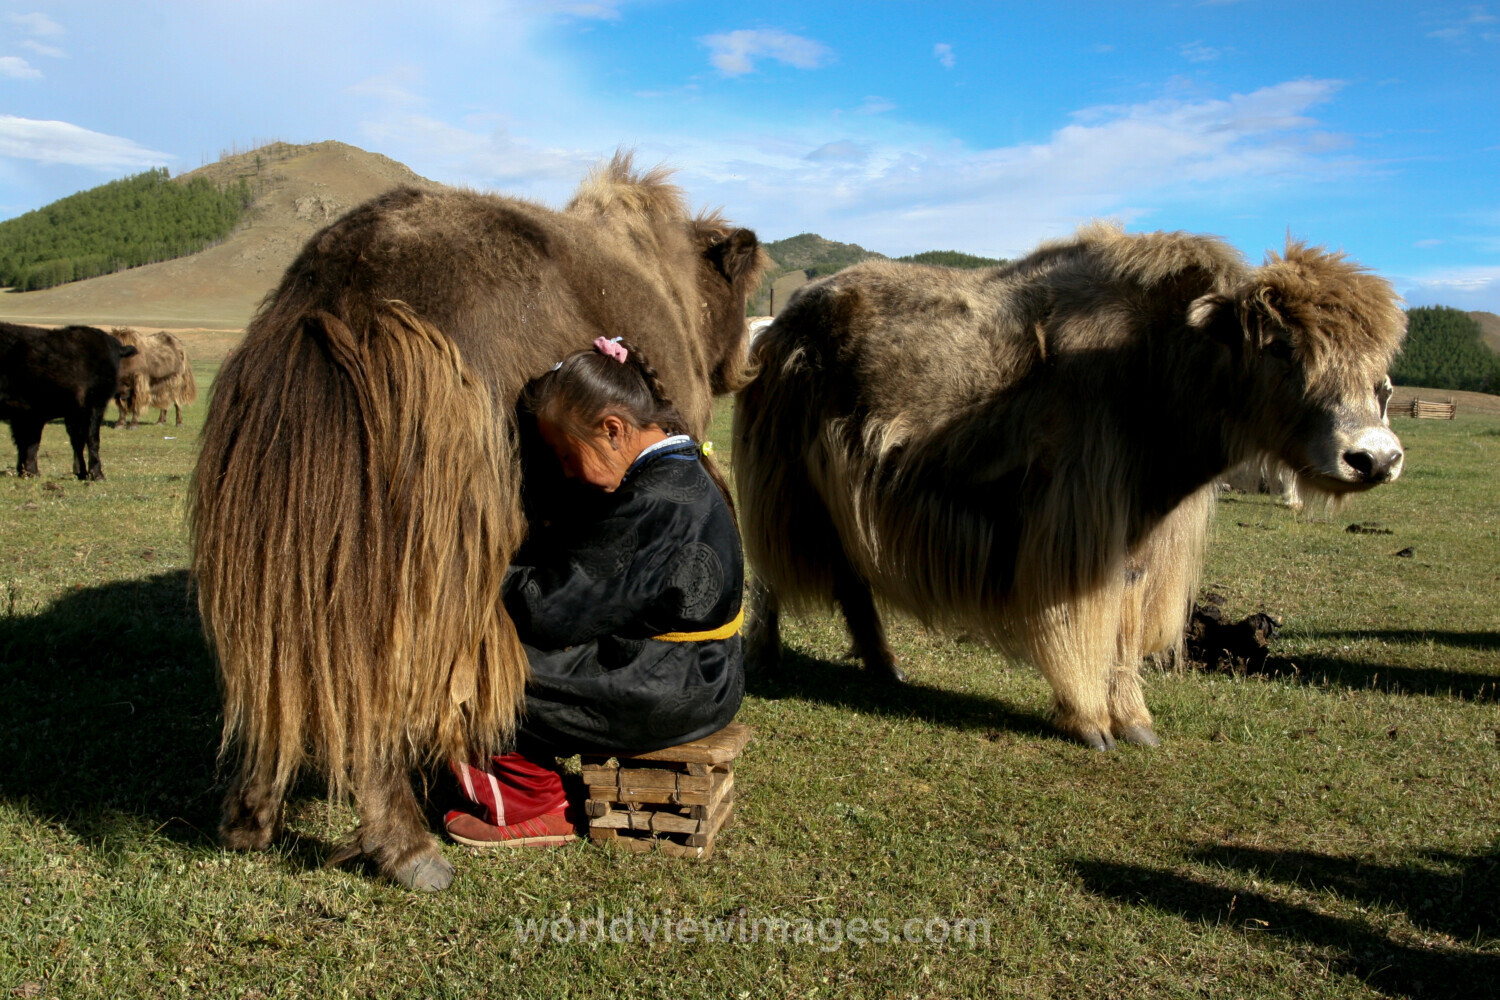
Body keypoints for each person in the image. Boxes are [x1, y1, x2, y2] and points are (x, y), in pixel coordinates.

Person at [443, 336, 745, 848]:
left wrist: (478, 575)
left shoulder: (656, 502)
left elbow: (552, 612)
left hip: (673, 686)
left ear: (612, 429)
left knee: (464, 672)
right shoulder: (676, 475)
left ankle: (536, 801)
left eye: (565, 453)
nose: (564, 470)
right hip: (699, 675)